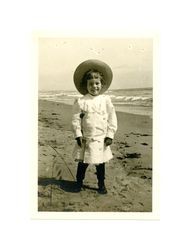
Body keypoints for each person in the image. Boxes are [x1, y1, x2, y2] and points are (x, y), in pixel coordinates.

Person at [72, 59, 117, 194]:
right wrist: (78, 135)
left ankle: (101, 184)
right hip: (86, 138)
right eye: (90, 84)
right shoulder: (81, 101)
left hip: (101, 138)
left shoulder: (106, 100)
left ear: (101, 84)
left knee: (101, 163)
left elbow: (112, 117)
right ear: (86, 86)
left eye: (97, 83)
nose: (94, 86)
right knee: (83, 162)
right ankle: (79, 182)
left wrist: (110, 134)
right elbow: (75, 119)